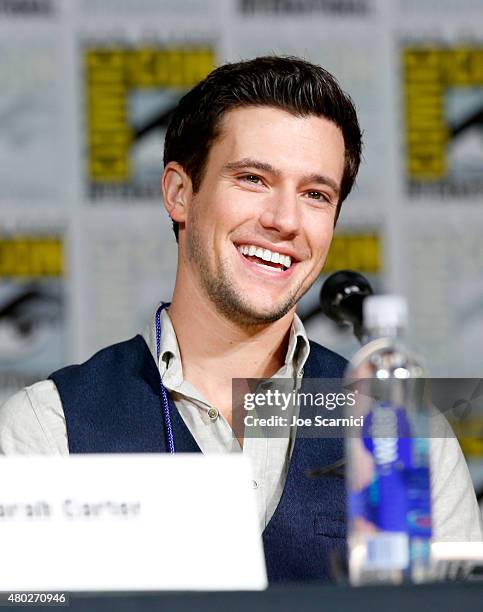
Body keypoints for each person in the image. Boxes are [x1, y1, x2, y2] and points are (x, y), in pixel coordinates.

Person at [0, 57, 481, 581]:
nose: (284, 220)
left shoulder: (403, 434)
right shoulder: (51, 426)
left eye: (316, 194)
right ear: (180, 193)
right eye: (253, 179)